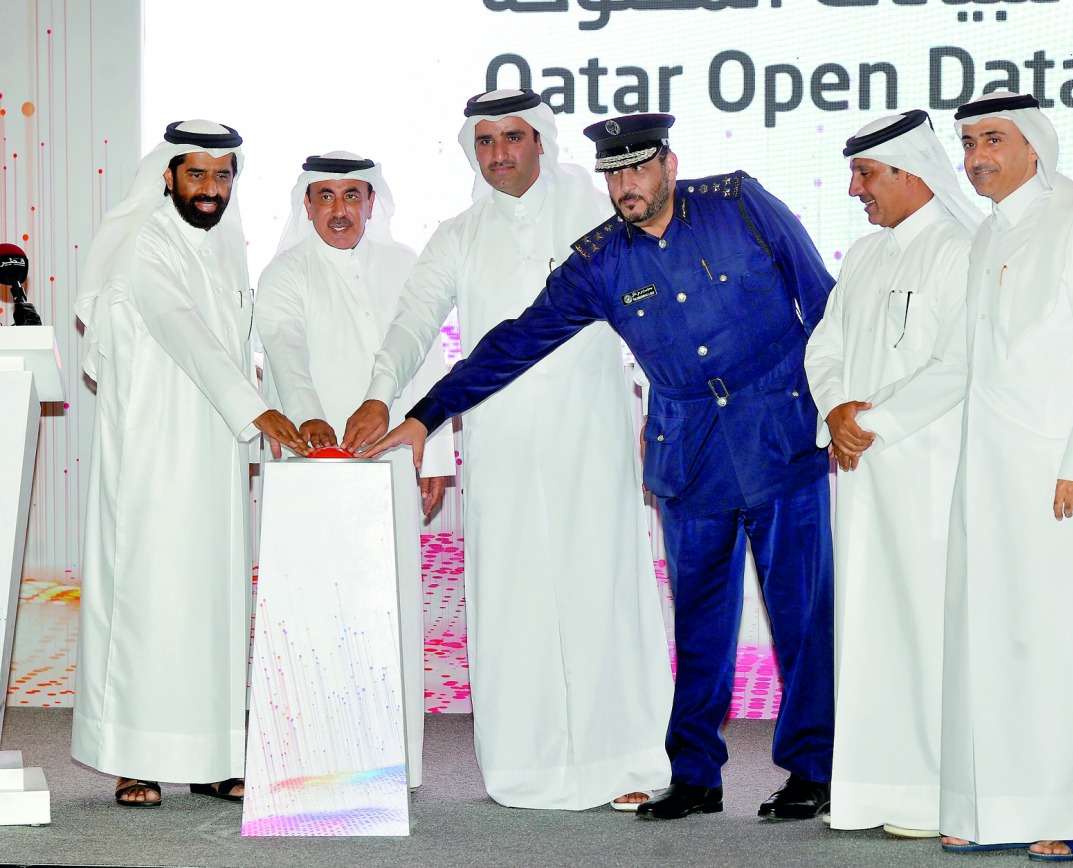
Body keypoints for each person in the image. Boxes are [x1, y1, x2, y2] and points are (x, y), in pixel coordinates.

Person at [356, 112, 839, 822]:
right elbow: (517, 340)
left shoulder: (740, 203)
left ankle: (811, 771)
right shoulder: (600, 259)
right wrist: (427, 413)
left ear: (669, 166)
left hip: (781, 438)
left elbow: (822, 299)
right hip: (690, 458)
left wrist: (839, 403)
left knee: (800, 617)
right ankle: (697, 776)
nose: (625, 186)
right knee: (701, 626)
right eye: (614, 174)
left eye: (638, 169)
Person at [341, 90, 673, 811]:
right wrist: (380, 393)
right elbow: (412, 321)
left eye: (512, 138)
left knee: (604, 589)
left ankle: (630, 759)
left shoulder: (596, 213)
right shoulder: (459, 235)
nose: (499, 154)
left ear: (541, 142)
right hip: (501, 441)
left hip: (593, 434)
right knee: (514, 597)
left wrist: (660, 404)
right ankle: (528, 764)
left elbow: (652, 307)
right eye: (484, 141)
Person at [864, 92, 1073, 860]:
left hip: (1061, 479)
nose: (977, 156)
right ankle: (1001, 810)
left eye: (993, 139)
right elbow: (959, 360)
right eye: (968, 143)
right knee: (994, 647)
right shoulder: (987, 237)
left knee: (1062, 645)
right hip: (986, 481)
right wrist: (876, 420)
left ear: (1034, 147)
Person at [72, 120, 308, 807]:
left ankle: (210, 755)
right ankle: (134, 758)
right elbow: (181, 326)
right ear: (168, 176)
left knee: (213, 600)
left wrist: (261, 404)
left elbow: (236, 339)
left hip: (214, 452)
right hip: (152, 450)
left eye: (222, 176)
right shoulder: (142, 243)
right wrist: (256, 408)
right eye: (197, 175)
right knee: (148, 598)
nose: (210, 190)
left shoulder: (227, 244)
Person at [803, 110, 980, 838]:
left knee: (927, 630)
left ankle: (941, 796)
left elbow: (961, 366)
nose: (855, 190)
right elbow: (826, 346)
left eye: (865, 174)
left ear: (909, 172)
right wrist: (838, 408)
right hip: (865, 478)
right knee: (872, 632)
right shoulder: (869, 256)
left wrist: (866, 426)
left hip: (933, 476)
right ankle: (876, 793)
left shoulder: (963, 250)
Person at [255, 152, 454, 789]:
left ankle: (393, 764)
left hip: (394, 455)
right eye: (325, 197)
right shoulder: (285, 271)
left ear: (373, 202)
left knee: (388, 602)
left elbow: (426, 358)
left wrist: (437, 452)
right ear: (306, 205)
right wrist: (308, 418)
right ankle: (313, 759)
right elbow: (282, 347)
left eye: (352, 196)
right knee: (314, 605)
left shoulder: (404, 265)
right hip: (311, 458)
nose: (340, 210)